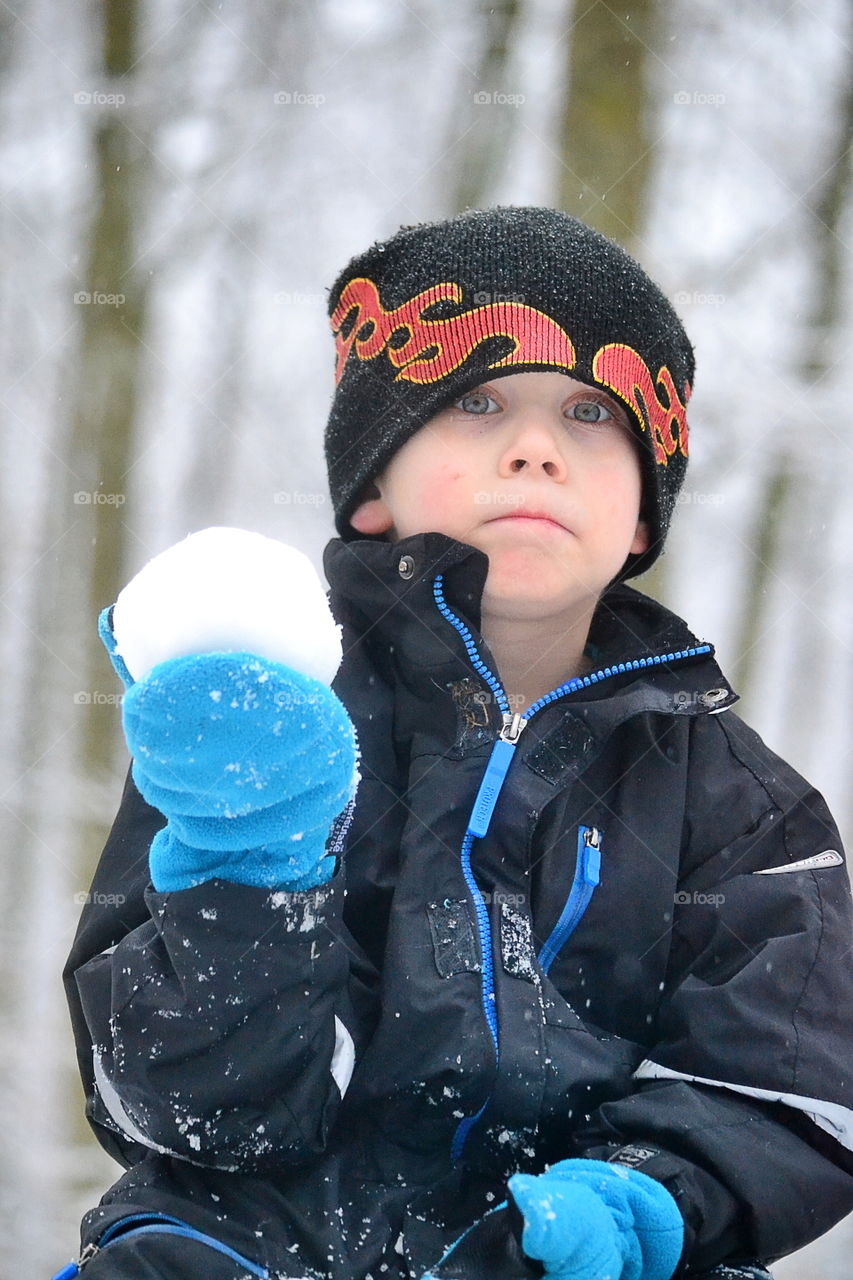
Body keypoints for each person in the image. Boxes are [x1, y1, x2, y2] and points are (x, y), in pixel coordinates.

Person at [56, 207, 853, 1280]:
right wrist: (248, 860)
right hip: (234, 1251)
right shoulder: (267, 717)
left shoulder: (743, 802)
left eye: (588, 410)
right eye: (476, 400)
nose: (534, 445)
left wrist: (640, 1198)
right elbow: (191, 1114)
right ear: (374, 485)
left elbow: (789, 1081)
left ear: (643, 514)